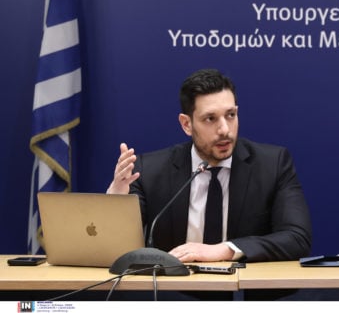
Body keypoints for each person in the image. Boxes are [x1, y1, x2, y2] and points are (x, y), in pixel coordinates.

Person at [107, 68, 312, 265]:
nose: (224, 130)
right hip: (175, 287)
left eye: (230, 115)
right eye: (210, 119)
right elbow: (115, 247)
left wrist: (224, 250)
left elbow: (297, 238)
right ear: (186, 124)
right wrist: (116, 201)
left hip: (244, 287)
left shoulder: (272, 164)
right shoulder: (149, 171)